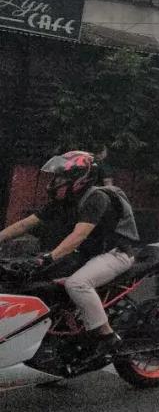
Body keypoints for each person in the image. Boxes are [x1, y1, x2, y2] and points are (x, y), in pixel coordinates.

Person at [0, 151, 140, 358]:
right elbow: (24, 224)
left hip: (116, 254)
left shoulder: (96, 198)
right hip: (87, 254)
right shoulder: (63, 201)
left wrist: (49, 257)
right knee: (40, 279)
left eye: (60, 178)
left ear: (79, 179)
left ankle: (107, 336)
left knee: (77, 284)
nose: (54, 183)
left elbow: (78, 235)